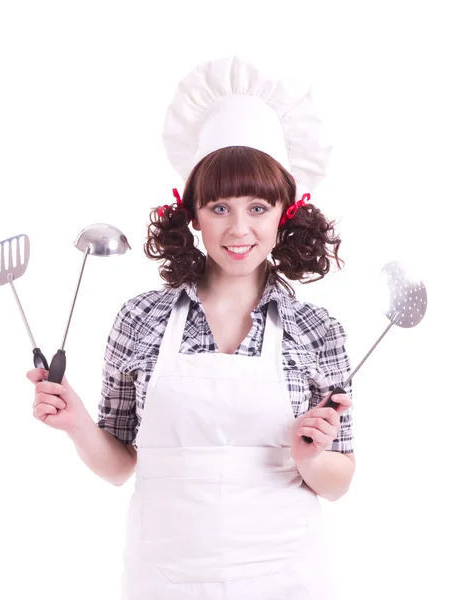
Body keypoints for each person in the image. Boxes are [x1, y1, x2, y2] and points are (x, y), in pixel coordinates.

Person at [27, 56, 355, 599]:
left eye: (258, 206)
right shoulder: (142, 319)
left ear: (285, 214)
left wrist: (312, 457)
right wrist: (79, 424)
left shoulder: (316, 330)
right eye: (220, 207)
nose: (239, 229)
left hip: (287, 578)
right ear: (192, 214)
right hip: (164, 579)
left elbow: (340, 483)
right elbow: (118, 467)